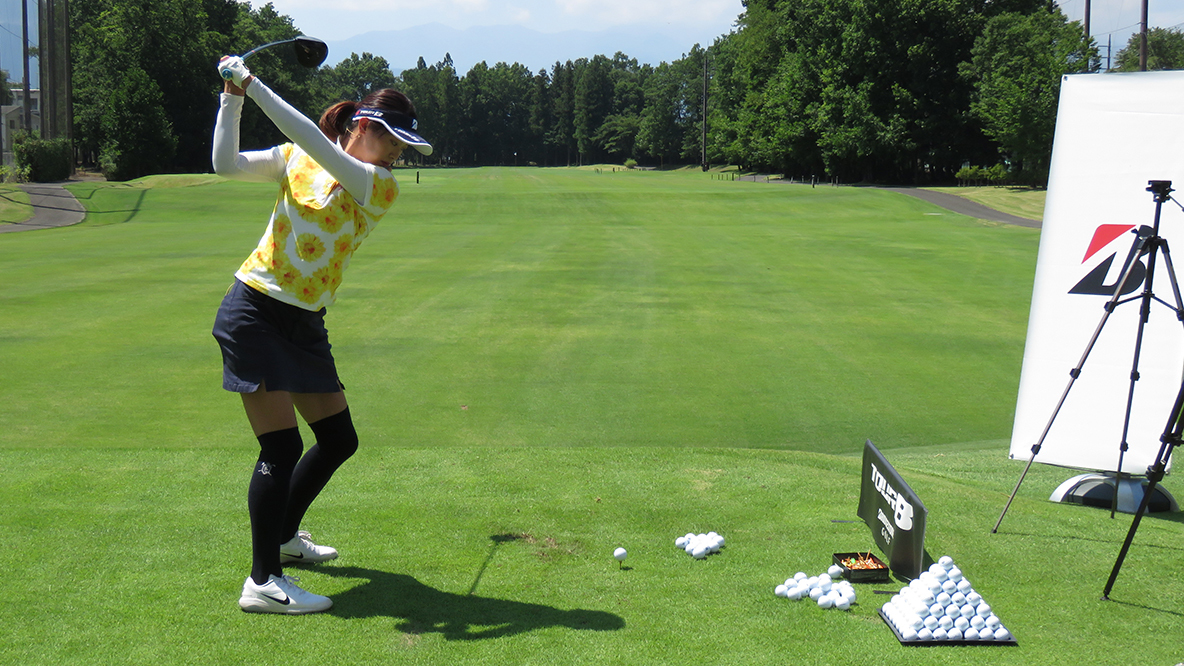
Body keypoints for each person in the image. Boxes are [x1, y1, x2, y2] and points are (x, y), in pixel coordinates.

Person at [210, 55, 432, 614]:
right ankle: (263, 581)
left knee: (338, 440)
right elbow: (225, 165)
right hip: (255, 311)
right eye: (391, 139)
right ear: (364, 125)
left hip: (305, 321)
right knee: (282, 446)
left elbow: (315, 140)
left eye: (403, 146)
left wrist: (253, 83)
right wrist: (233, 99)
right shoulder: (295, 158)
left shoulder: (379, 186)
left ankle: (285, 535)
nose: (397, 153)